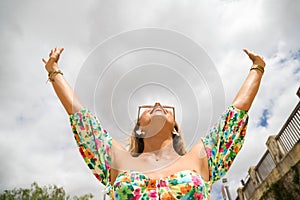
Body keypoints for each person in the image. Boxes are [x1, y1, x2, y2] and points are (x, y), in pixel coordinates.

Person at [43, 47, 266, 199]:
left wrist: (258, 68)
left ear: (176, 128)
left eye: (164, 108)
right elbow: (83, 120)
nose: (157, 104)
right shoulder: (117, 159)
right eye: (148, 108)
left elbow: (235, 115)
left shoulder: (199, 157)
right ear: (139, 128)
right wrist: (54, 72)